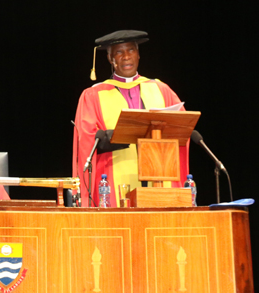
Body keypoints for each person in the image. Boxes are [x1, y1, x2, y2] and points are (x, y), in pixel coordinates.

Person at [73, 30, 189, 207]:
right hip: (113, 178)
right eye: (119, 52)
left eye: (131, 50)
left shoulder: (161, 89)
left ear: (139, 55)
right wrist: (114, 136)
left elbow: (182, 128)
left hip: (159, 176)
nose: (126, 56)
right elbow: (86, 139)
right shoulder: (93, 95)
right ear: (111, 59)